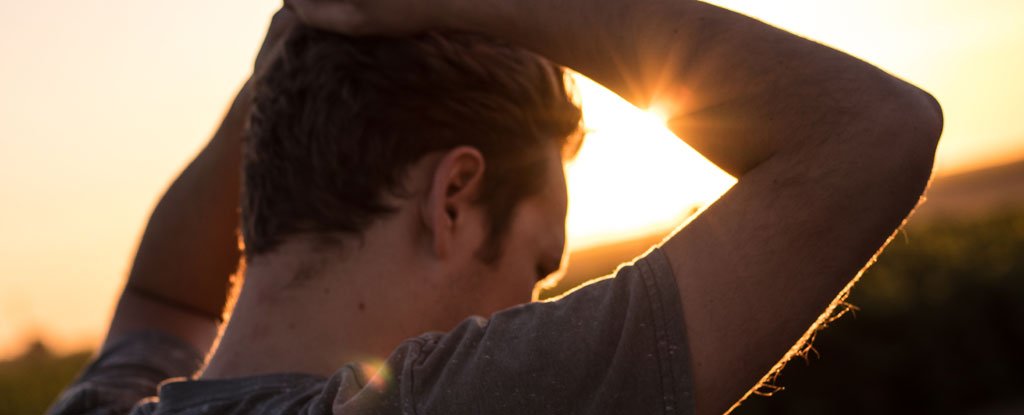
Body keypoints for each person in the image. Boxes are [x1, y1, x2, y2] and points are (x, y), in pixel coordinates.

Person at [49, 0, 943, 413]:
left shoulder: (103, 403)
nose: (536, 307)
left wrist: (298, 42)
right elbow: (873, 133)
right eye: (538, 263)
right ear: (453, 198)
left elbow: (166, 299)